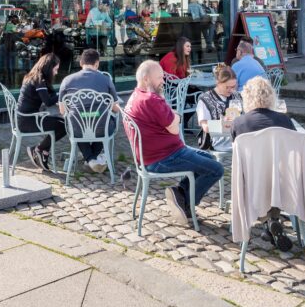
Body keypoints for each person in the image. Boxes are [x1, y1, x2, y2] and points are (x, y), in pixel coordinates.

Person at [124, 60, 224, 226]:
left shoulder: (135, 96)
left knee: (210, 160)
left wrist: (172, 116)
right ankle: (188, 205)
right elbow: (174, 129)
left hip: (154, 155)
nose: (163, 81)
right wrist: (176, 116)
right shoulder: (151, 99)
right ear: (147, 79)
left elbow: (168, 121)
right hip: (164, 158)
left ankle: (180, 193)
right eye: (159, 78)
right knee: (217, 169)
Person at [231, 75, 298, 251]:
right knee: (273, 178)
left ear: (247, 97)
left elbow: (237, 155)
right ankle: (272, 222)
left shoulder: (239, 123)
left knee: (261, 178)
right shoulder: (285, 120)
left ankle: (269, 223)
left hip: (252, 182)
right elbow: (293, 148)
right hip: (282, 180)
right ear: (271, 96)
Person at [58, 49, 120, 173]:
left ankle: (90, 159)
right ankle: (93, 159)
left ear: (81, 62)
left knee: (78, 124)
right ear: (97, 63)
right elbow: (115, 108)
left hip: (77, 128)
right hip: (102, 128)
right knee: (104, 123)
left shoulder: (67, 80)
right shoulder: (106, 80)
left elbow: (62, 110)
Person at [19, 53, 65, 170]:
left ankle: (42, 151)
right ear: (49, 67)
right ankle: (39, 149)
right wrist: (63, 94)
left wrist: (56, 94)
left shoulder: (34, 76)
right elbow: (48, 102)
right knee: (64, 126)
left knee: (61, 122)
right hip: (27, 121)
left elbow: (50, 94)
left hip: (24, 118)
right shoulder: (39, 79)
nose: (56, 73)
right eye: (56, 69)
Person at [194, 64, 239, 152]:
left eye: (233, 87)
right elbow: (205, 127)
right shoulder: (205, 99)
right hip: (219, 144)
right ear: (218, 83)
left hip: (239, 141)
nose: (231, 90)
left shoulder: (236, 96)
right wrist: (224, 124)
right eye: (227, 87)